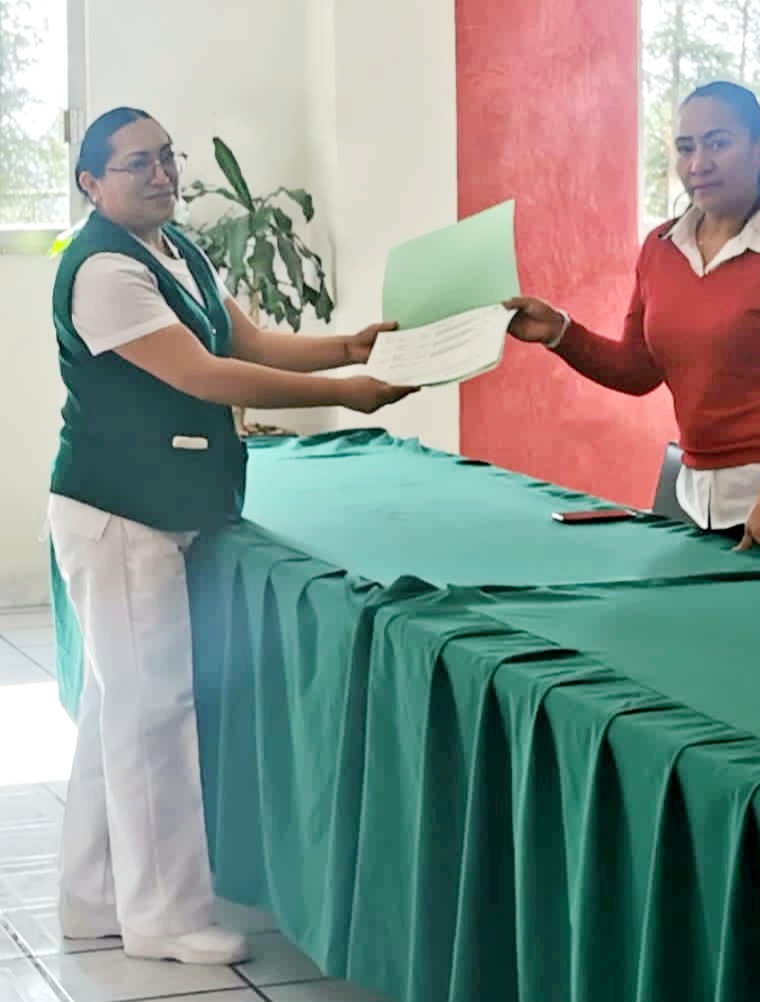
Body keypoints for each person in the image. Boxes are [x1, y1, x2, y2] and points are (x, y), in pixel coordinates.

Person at [47, 107, 416, 965]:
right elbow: (205, 375)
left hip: (151, 509)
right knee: (152, 712)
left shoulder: (177, 250)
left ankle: (93, 899)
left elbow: (246, 341)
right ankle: (163, 916)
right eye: (137, 164)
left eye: (167, 157)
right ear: (91, 183)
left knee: (117, 710)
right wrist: (348, 395)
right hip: (121, 515)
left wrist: (348, 349)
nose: (162, 174)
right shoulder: (103, 269)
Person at [505, 80, 760, 571]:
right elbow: (637, 369)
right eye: (685, 147)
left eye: (718, 143)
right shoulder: (660, 248)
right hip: (702, 499)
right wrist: (559, 332)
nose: (699, 163)